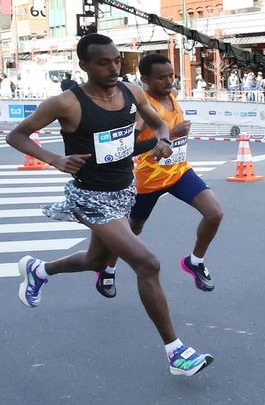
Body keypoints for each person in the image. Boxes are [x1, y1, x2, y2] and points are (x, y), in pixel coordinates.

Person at [8, 34, 214, 376]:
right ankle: (176, 353)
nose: (113, 68)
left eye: (117, 60)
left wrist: (163, 138)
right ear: (84, 65)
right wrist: (55, 159)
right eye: (103, 62)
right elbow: (17, 135)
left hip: (124, 190)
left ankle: (39, 270)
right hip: (90, 197)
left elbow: (158, 121)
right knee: (147, 263)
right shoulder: (66, 103)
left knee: (95, 260)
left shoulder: (131, 91)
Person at [96, 53, 225, 297]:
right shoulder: (143, 109)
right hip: (148, 179)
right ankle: (108, 268)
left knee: (215, 212)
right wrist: (174, 134)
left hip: (178, 172)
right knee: (131, 232)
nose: (169, 82)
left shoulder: (171, 97)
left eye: (171, 76)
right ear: (145, 79)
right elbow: (130, 145)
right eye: (162, 78)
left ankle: (195, 261)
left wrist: (176, 137)